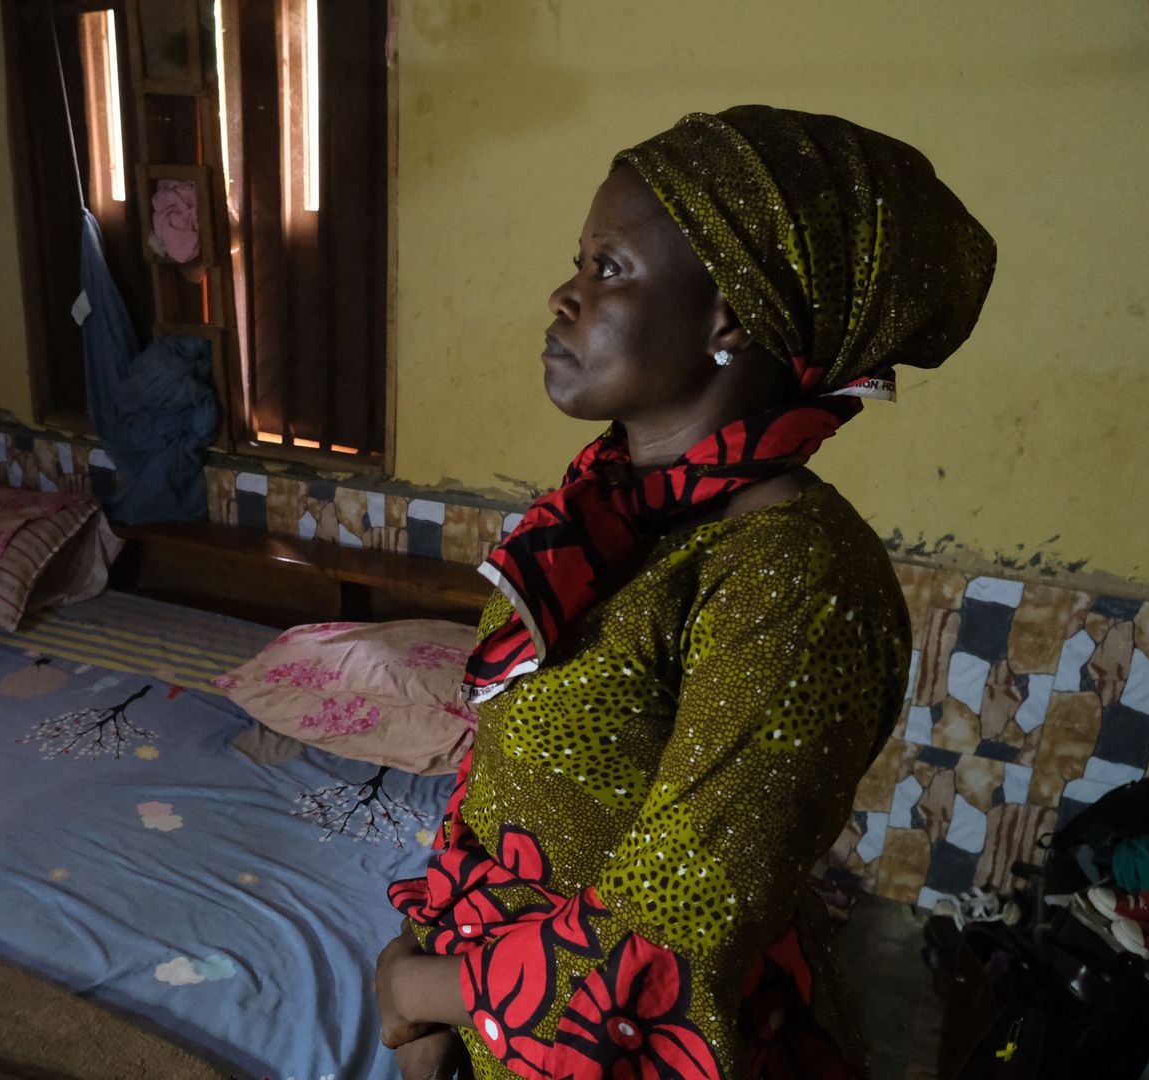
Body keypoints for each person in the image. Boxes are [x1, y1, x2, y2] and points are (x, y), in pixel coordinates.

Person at [373, 105, 996, 1080]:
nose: (564, 295)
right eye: (579, 262)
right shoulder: (608, 517)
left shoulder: (791, 579)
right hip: (503, 1033)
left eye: (608, 268)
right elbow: (504, 781)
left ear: (729, 318)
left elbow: (675, 930)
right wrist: (439, 984)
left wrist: (417, 994)